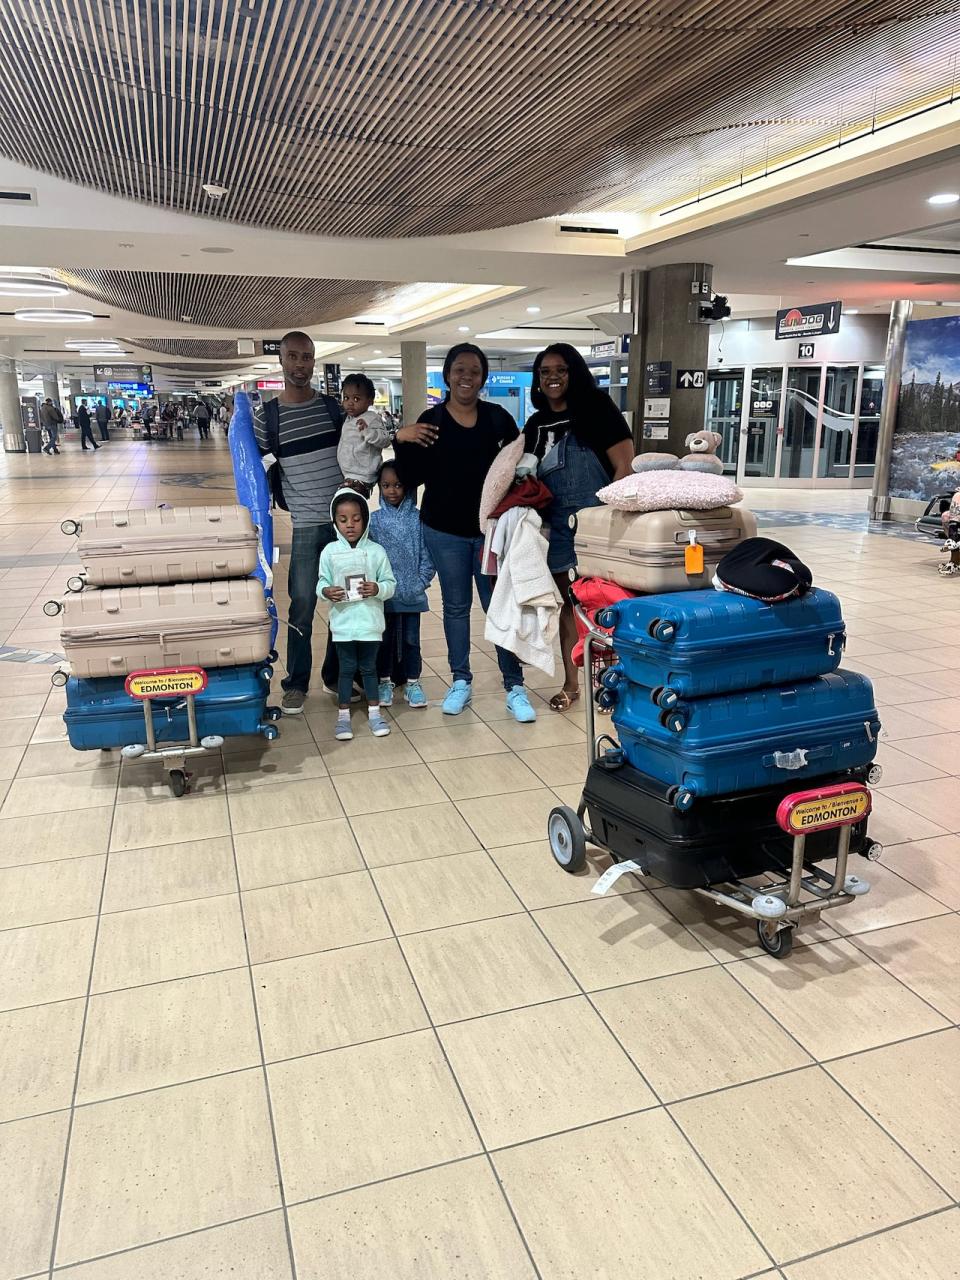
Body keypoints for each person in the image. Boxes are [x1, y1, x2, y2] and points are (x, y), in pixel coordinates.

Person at [394, 342, 536, 723]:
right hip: (444, 531)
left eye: (474, 370)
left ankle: (515, 684)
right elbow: (410, 476)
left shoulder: (497, 420)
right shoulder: (432, 420)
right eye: (459, 369)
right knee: (456, 608)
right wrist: (400, 439)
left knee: (498, 605)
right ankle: (461, 680)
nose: (466, 377)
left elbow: (519, 468)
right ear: (447, 375)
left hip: (491, 532)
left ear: (483, 377)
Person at [523, 343, 634, 712]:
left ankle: (613, 683)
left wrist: (611, 518)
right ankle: (572, 684)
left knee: (606, 603)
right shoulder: (535, 424)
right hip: (557, 526)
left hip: (599, 523)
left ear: (574, 373)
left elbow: (624, 465)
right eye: (544, 371)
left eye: (561, 369)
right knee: (571, 606)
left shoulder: (597, 409)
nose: (552, 377)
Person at [254, 330, 347, 715]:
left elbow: (356, 452)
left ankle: (337, 676)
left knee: (348, 604)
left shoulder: (332, 409)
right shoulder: (268, 418)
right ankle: (295, 682)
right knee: (303, 604)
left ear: (314, 360)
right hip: (307, 524)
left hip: (346, 526)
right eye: (293, 357)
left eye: (306, 357)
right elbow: (256, 473)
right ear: (281, 361)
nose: (300, 365)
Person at [318, 488, 396, 741]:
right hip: (342, 625)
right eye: (343, 520)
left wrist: (378, 588)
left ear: (365, 519)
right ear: (335, 521)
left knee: (369, 669)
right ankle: (343, 717)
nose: (350, 525)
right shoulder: (329, 551)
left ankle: (374, 713)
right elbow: (321, 582)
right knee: (346, 670)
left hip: (370, 624)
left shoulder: (377, 551)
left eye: (356, 519)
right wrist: (326, 591)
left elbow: (390, 583)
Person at [369, 460, 433, 708]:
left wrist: (419, 583)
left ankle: (413, 682)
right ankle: (385, 681)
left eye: (397, 485)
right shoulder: (373, 522)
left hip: (412, 596)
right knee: (384, 641)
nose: (392, 490)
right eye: (386, 485)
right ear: (379, 487)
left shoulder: (418, 519)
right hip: (383, 596)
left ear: (407, 487)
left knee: (411, 641)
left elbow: (427, 557)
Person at [337, 373, 393, 495]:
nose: (350, 403)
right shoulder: (348, 418)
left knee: (351, 503)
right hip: (348, 474)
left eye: (356, 399)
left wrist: (368, 432)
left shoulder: (372, 418)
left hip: (364, 475)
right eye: (346, 398)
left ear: (370, 401)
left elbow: (385, 440)